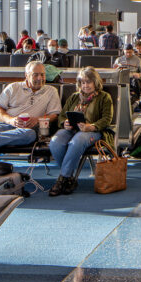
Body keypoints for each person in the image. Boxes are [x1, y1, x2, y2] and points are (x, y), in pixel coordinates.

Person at [48, 66, 113, 197]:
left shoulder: (104, 97)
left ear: (95, 82)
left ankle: (62, 179)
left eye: (88, 82)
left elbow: (107, 119)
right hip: (72, 130)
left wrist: (91, 126)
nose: (85, 85)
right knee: (55, 142)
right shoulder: (74, 97)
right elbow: (62, 116)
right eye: (82, 82)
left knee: (76, 141)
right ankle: (69, 178)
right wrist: (64, 123)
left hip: (93, 131)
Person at [0, 61, 61, 161]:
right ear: (27, 75)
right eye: (35, 75)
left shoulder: (51, 91)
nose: (40, 78)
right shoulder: (13, 87)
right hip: (3, 124)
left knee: (30, 135)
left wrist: (37, 120)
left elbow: (54, 115)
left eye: (42, 75)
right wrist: (11, 120)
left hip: (24, 130)